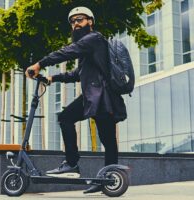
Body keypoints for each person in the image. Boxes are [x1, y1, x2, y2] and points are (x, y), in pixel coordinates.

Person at [25, 6, 127, 193]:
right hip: (96, 96)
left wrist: (40, 64)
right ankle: (106, 179)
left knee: (73, 121)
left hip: (101, 96)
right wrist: (52, 78)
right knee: (107, 139)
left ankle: (74, 164)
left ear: (90, 21)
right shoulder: (89, 47)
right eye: (72, 22)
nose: (75, 24)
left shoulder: (93, 39)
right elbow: (78, 73)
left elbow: (67, 52)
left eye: (79, 19)